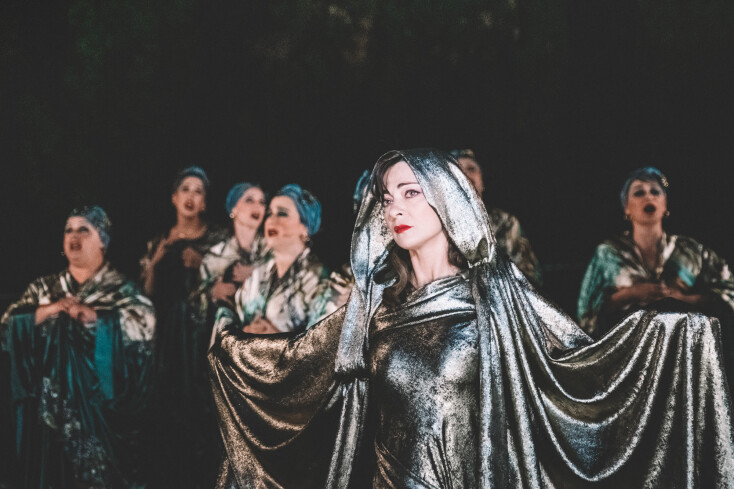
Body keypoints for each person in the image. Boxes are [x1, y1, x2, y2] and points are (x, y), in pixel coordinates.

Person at [208, 150, 734, 488]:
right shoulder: (375, 306)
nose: (396, 208)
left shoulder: (496, 291)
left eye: (411, 192)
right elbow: (297, 363)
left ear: (446, 201)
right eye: (388, 197)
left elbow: (577, 362)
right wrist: (231, 350)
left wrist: (674, 338)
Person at [1, 206, 155, 488]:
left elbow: (147, 327)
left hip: (100, 414)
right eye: (68, 230)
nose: (74, 236)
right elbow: (7, 327)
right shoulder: (45, 288)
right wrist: (50, 310)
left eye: (84, 230)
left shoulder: (120, 289)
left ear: (103, 241)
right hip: (50, 418)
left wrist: (96, 318)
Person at [139, 166, 226, 488]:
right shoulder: (158, 242)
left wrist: (202, 264)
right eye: (185, 189)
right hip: (166, 343)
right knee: (166, 413)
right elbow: (145, 297)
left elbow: (231, 287)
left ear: (204, 202)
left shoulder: (217, 240)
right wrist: (155, 263)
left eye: (198, 191)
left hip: (202, 339)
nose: (191, 196)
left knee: (201, 414)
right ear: (174, 198)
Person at [577, 167, 734, 339]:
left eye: (655, 191)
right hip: (627, 345)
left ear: (665, 204)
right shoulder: (608, 253)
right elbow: (587, 312)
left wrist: (681, 298)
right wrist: (631, 293)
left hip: (681, 342)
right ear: (626, 208)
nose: (649, 197)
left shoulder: (690, 249)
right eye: (639, 193)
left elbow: (728, 292)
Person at [214, 184, 343, 336]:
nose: (271, 220)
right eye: (270, 213)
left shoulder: (318, 278)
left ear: (304, 228)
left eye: (282, 213)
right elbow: (234, 322)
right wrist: (245, 332)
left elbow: (322, 341)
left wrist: (276, 340)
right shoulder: (258, 273)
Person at [450, 148, 543, 287]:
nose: (466, 175)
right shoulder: (438, 224)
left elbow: (529, 276)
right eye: (458, 170)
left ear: (482, 180)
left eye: (471, 168)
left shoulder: (505, 221)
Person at [195, 182, 268, 326]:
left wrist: (254, 272)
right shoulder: (215, 256)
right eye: (249, 200)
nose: (257, 206)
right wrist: (212, 293)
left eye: (262, 202)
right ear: (234, 208)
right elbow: (194, 306)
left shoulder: (273, 249)